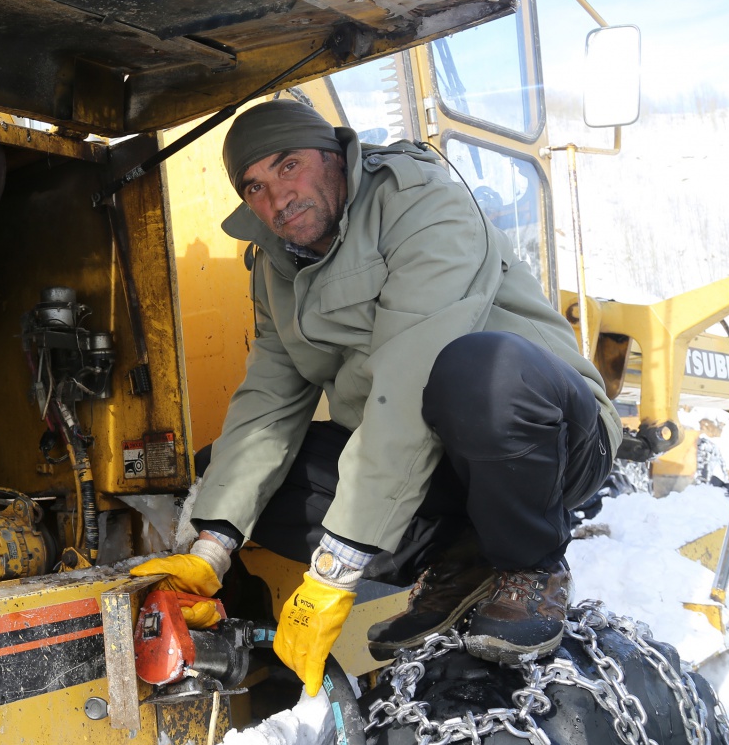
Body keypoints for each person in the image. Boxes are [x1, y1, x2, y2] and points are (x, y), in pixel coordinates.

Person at [133, 98, 620, 695]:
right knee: (232, 477)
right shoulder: (275, 265)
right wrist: (212, 547)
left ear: (336, 155)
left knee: (479, 371)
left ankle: (529, 565)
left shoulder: (423, 204)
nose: (276, 200)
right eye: (254, 186)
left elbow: (408, 382)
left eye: (289, 167)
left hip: (544, 440)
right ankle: (460, 561)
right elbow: (268, 401)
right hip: (435, 462)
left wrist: (335, 573)